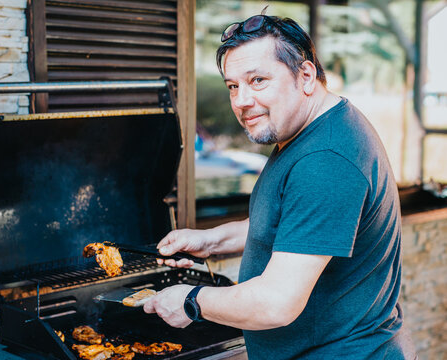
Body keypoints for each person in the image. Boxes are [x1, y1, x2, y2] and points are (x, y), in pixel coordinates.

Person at [142, 10, 417, 360]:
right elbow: (295, 226)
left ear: (304, 76)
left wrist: (190, 299)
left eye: (258, 80)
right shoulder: (309, 132)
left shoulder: (326, 160)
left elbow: (276, 303)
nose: (241, 100)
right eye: (233, 86)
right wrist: (212, 240)